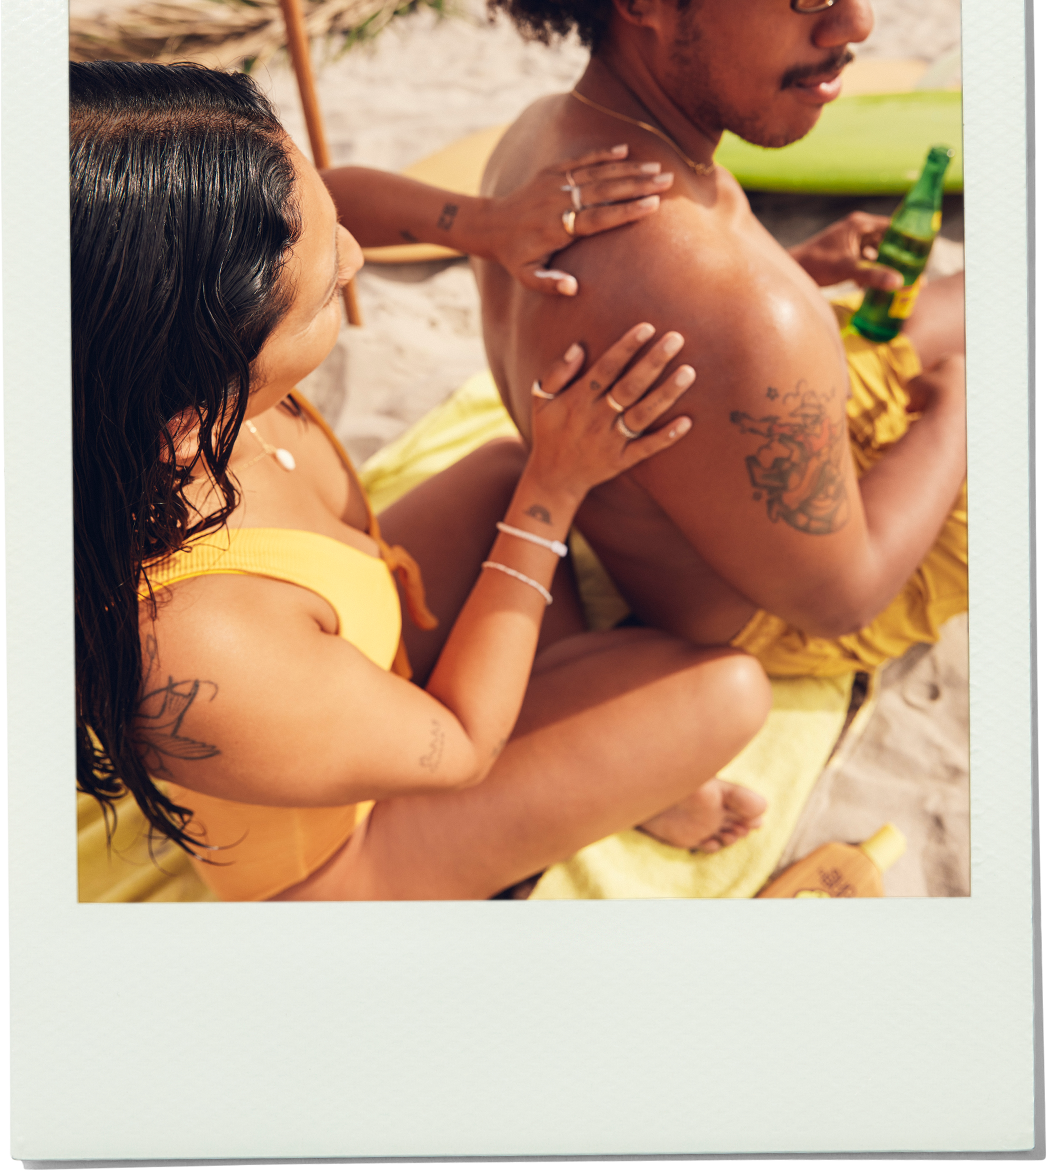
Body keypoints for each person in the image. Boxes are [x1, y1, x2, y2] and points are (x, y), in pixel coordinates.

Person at [74, 59, 771, 903]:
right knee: (721, 692)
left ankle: (578, 741)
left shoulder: (129, 362)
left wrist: (484, 223)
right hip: (348, 860)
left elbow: (324, 205)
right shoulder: (195, 645)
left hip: (350, 664)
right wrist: (553, 492)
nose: (359, 256)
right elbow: (462, 743)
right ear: (189, 403)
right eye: (330, 286)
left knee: (496, 475)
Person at [476, 0, 968, 689]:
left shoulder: (545, 136)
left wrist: (795, 275)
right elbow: (846, 600)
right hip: (785, 604)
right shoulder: (727, 304)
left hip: (712, 500)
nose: (855, 23)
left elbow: (693, 336)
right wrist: (956, 413)